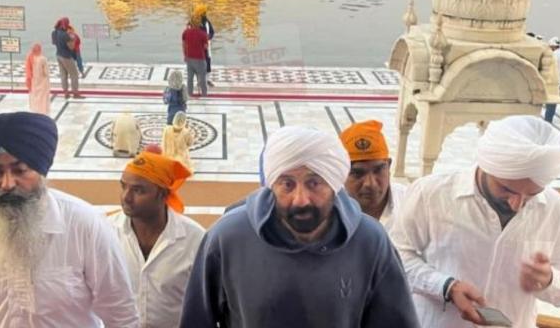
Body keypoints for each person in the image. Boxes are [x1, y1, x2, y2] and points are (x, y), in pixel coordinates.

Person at [180, 126, 420, 327]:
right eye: (287, 184)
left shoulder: (370, 241)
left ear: (334, 183)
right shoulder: (227, 237)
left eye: (314, 183)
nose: (301, 199)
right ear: (271, 184)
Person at [0, 112, 139, 327]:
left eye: (20, 170)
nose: (8, 183)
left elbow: (122, 316)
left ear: (40, 170)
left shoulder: (85, 224)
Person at [391, 115, 560, 328]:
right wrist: (446, 287)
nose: (517, 204)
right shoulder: (430, 194)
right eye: (506, 189)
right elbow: (396, 259)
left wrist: (548, 280)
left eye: (532, 195)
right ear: (486, 166)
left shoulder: (555, 209)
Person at [110, 151, 205, 328]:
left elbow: (206, 302)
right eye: (124, 187)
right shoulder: (105, 231)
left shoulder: (195, 239)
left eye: (138, 190)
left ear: (162, 194)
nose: (126, 197)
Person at [339, 120, 405, 234]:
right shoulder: (330, 212)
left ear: (388, 166)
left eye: (378, 170)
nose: (371, 184)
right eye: (357, 173)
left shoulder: (410, 203)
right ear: (340, 173)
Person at [52, 17, 81, 99]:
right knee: (74, 74)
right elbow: (71, 47)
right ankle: (75, 93)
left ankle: (66, 92)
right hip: (66, 56)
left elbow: (54, 43)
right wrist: (73, 39)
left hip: (58, 55)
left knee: (63, 74)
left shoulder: (54, 32)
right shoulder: (65, 35)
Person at [544, 37, 560, 123]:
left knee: (550, 102)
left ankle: (548, 119)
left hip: (552, 82)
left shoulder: (554, 54)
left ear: (552, 46)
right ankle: (550, 116)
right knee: (554, 101)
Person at [182, 14, 209, 97]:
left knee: (190, 78)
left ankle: (190, 94)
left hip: (189, 58)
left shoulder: (186, 32)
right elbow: (205, 47)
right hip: (200, 59)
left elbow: (183, 45)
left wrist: (185, 55)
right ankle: (204, 95)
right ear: (199, 24)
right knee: (202, 79)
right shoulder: (203, 34)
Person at [193, 4, 215, 87]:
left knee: (208, 63)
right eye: (204, 13)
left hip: (207, 47)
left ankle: (207, 79)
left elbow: (212, 32)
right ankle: (200, 81)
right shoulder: (196, 23)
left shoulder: (207, 22)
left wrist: (209, 37)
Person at [25, 42, 50, 115]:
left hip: (33, 80)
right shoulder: (43, 59)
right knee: (43, 97)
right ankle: (43, 111)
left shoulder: (30, 57)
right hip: (42, 81)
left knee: (35, 96)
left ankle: (35, 110)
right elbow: (46, 72)